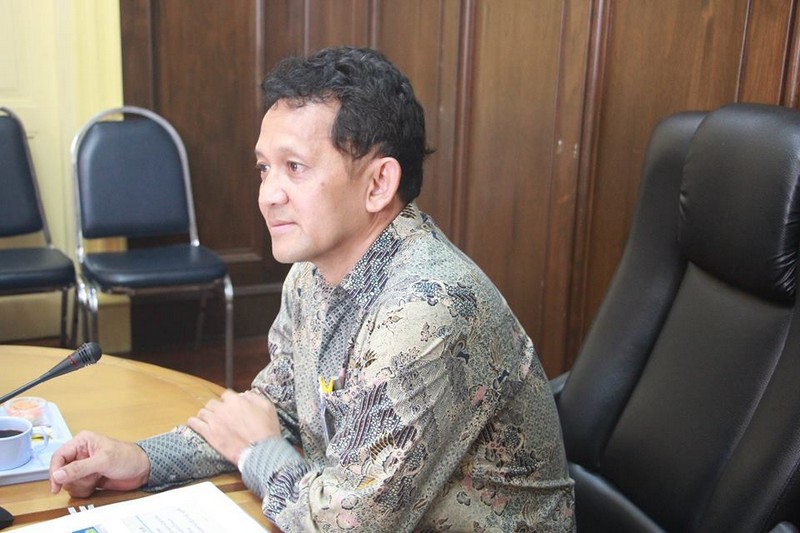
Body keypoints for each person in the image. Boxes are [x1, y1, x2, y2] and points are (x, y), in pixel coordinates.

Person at [49, 46, 575, 531]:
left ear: (378, 184)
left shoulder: (428, 308)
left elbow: (345, 523)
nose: (267, 195)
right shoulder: (312, 273)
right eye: (264, 168)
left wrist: (257, 453)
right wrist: (144, 459)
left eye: (294, 167)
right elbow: (273, 410)